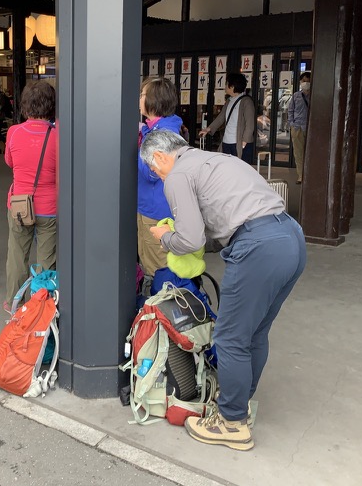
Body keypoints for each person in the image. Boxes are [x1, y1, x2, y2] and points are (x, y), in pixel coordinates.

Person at [140, 129, 306, 451]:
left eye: (154, 170)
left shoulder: (177, 175)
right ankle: (238, 400)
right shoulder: (214, 159)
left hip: (258, 248)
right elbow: (220, 225)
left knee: (230, 338)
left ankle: (231, 423)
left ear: (160, 156)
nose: (157, 177)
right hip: (291, 239)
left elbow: (190, 239)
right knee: (254, 333)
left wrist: (163, 236)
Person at [3, 81, 57, 311]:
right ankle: (41, 305)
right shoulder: (59, 135)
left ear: (25, 105)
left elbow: (9, 162)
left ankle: (13, 302)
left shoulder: (15, 132)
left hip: (19, 204)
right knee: (47, 258)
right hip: (49, 206)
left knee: (17, 254)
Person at [137, 77, 185, 285]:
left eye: (142, 95)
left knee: (157, 268)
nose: (139, 100)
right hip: (149, 207)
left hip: (155, 212)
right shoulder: (159, 129)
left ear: (153, 101)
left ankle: (160, 314)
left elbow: (151, 172)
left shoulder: (164, 133)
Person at [199, 72, 255, 163]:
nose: (225, 86)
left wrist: (245, 141)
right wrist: (208, 129)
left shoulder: (246, 102)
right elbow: (221, 118)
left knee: (239, 170)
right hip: (226, 141)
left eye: (226, 84)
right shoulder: (229, 101)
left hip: (239, 143)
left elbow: (250, 124)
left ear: (232, 87)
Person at [287, 72, 311, 184]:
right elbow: (290, 110)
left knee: (311, 152)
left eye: (307, 80)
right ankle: (301, 175)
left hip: (310, 128)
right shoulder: (296, 95)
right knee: (298, 152)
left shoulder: (314, 95)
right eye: (303, 81)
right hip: (297, 127)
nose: (305, 83)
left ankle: (311, 174)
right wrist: (292, 124)